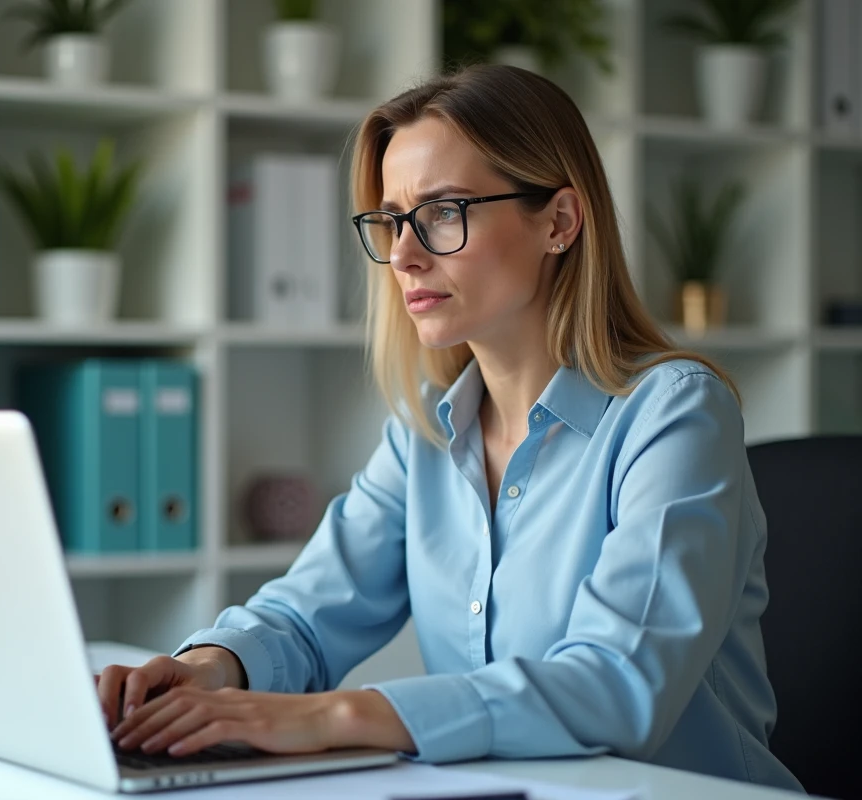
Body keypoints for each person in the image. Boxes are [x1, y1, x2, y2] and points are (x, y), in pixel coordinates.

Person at [97, 65, 803, 793]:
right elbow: (307, 614)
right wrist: (208, 670)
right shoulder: (425, 433)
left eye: (442, 212)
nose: (404, 256)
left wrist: (337, 715)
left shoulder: (676, 414)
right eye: (391, 221)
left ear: (559, 222)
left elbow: (618, 682)